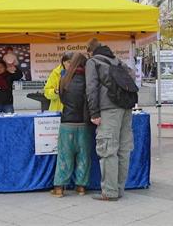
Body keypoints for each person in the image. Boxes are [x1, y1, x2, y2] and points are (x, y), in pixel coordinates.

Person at [86, 38, 134, 201]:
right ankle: (119, 189)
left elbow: (91, 88)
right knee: (123, 149)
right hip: (126, 107)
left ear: (90, 51)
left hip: (109, 109)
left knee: (107, 149)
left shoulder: (93, 62)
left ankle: (109, 191)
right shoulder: (117, 61)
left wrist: (94, 113)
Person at [51, 53, 92, 198]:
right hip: (84, 124)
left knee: (64, 156)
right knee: (84, 157)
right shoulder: (89, 81)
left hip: (67, 122)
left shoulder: (64, 79)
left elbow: (62, 99)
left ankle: (59, 189)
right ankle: (81, 187)